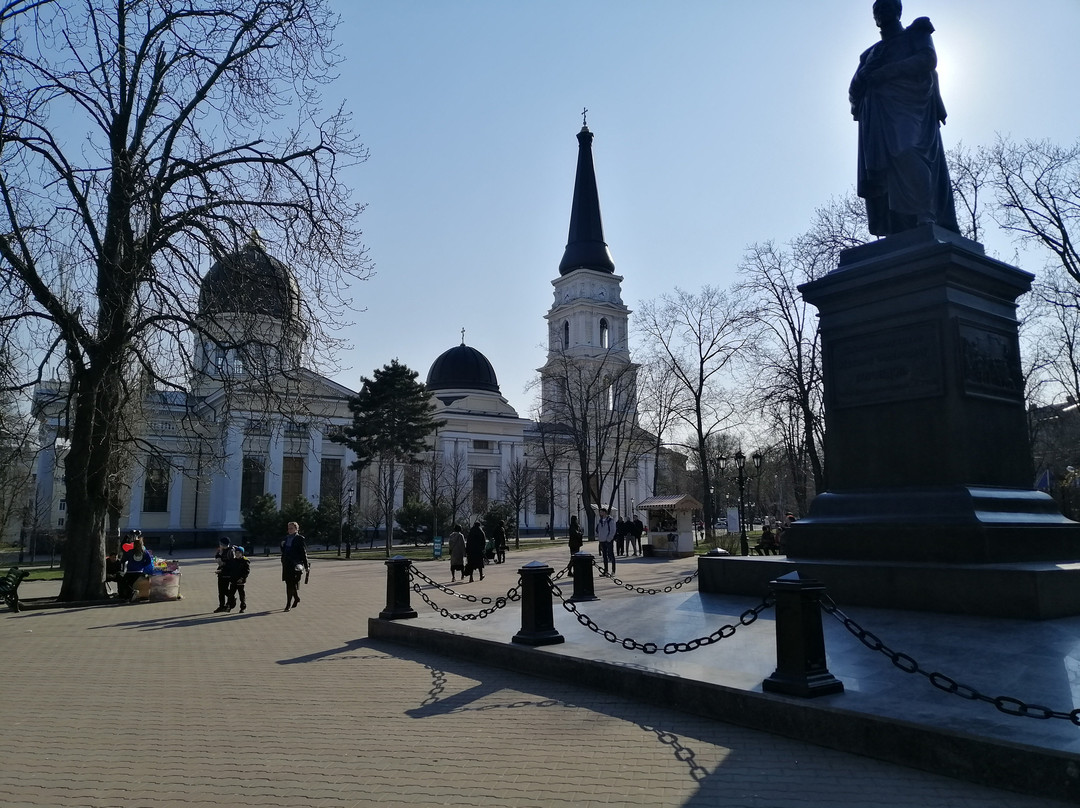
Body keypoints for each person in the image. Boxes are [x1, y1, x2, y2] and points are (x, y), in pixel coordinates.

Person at [849, 0, 958, 237]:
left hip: (911, 108)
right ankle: (898, 226)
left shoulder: (916, 33)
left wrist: (887, 72)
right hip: (878, 116)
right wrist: (864, 75)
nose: (882, 13)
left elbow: (927, 60)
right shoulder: (869, 54)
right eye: (877, 10)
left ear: (898, 11)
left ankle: (926, 213)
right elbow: (853, 90)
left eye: (887, 7)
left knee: (908, 151)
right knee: (886, 166)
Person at [280, 521, 309, 612]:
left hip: (295, 564)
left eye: (291, 528)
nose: (289, 530)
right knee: (289, 583)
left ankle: (288, 603)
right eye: (288, 528)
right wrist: (282, 546)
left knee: (292, 584)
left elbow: (303, 552)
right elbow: (284, 551)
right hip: (286, 564)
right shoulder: (285, 538)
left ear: (296, 529)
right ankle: (296, 598)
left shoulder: (299, 538)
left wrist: (306, 565)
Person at [118, 535, 154, 602]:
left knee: (124, 582)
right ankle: (132, 595)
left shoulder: (130, 552)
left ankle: (130, 594)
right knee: (131, 583)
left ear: (134, 544)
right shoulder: (144, 552)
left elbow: (123, 560)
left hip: (130, 571)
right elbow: (149, 561)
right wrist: (142, 565)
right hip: (139, 572)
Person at [220, 544, 250, 613]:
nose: (237, 554)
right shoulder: (233, 561)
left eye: (239, 553)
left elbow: (246, 571)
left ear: (242, 554)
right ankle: (230, 606)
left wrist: (242, 578)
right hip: (233, 580)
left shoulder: (245, 561)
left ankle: (242, 607)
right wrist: (221, 571)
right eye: (236, 553)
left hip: (240, 582)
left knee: (241, 595)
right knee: (231, 595)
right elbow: (228, 568)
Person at [213, 537, 233, 613]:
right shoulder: (220, 551)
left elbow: (231, 563)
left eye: (221, 544)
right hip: (221, 572)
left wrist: (223, 565)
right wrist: (219, 554)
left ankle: (231, 600)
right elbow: (217, 559)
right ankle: (222, 606)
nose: (220, 545)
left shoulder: (230, 551)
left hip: (227, 573)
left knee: (224, 589)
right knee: (221, 591)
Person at [596, 508, 616, 576]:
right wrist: (599, 537)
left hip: (608, 540)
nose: (600, 513)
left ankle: (613, 571)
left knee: (611, 555)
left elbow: (613, 530)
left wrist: (609, 539)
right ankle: (606, 571)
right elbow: (598, 529)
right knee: (604, 556)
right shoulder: (600, 520)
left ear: (604, 512)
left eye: (601, 512)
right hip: (602, 540)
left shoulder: (610, 520)